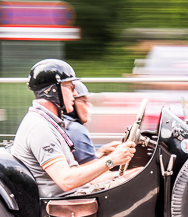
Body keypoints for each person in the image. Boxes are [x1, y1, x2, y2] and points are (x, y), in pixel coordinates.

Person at [11, 59, 135, 198]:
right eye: (70, 87)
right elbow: (66, 181)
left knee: (136, 176)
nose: (75, 93)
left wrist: (120, 173)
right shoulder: (40, 128)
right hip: (69, 202)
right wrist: (112, 160)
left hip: (77, 194)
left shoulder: (48, 122)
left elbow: (76, 177)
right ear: (52, 90)